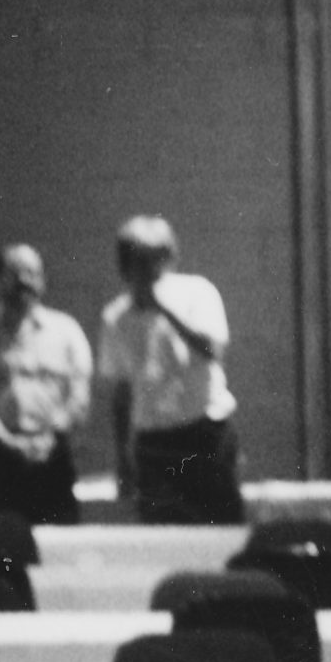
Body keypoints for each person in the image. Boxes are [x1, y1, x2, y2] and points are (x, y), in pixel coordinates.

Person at [98, 214, 241, 524]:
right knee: (162, 533)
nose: (151, 270)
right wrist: (123, 458)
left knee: (220, 528)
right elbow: (121, 392)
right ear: (125, 267)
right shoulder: (115, 317)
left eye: (158, 259)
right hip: (153, 442)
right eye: (140, 261)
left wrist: (164, 309)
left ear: (170, 258)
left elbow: (212, 350)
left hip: (204, 432)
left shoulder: (197, 292)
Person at [0, 243, 92, 525]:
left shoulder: (66, 331)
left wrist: (51, 435)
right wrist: (7, 441)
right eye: (16, 273)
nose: (25, 281)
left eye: (33, 273)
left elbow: (78, 395)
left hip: (51, 460)